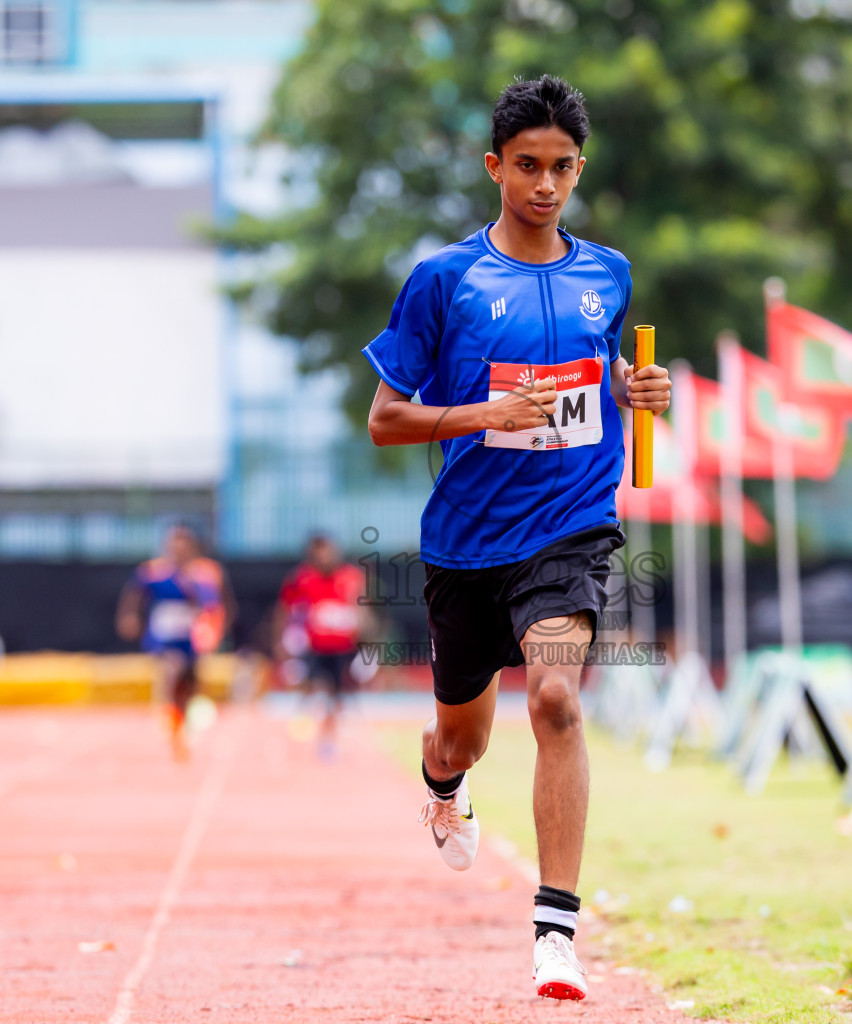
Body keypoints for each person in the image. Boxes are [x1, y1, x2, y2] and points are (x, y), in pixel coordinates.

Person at [362, 76, 671, 1001]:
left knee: (556, 702)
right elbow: (384, 419)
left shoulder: (605, 274)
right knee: (464, 739)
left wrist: (639, 392)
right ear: (494, 167)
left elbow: (605, 375)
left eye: (563, 168)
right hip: (465, 543)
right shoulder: (444, 280)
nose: (545, 184)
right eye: (528, 166)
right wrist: (484, 412)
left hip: (571, 525)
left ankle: (556, 933)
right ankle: (442, 784)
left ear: (581, 170)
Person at [117, 522, 231, 759]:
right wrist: (129, 616)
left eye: (184, 545)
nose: (178, 550)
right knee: (171, 671)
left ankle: (182, 722)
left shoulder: (204, 573)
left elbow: (214, 604)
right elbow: (134, 593)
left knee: (190, 685)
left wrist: (213, 628)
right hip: (163, 638)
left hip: (191, 638)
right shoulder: (153, 571)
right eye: (174, 545)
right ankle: (170, 721)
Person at [275, 533, 367, 758]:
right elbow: (286, 609)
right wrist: (282, 639)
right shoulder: (302, 578)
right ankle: (307, 720)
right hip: (314, 646)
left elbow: (360, 607)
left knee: (336, 693)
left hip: (343, 646)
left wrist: (361, 631)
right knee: (314, 685)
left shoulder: (351, 577)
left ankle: (328, 736)